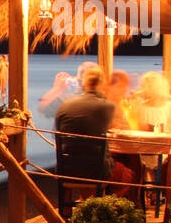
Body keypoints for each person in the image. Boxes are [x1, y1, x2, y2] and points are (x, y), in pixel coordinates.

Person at [55, 67, 135, 198]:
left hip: (66, 168)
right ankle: (103, 205)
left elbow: (57, 131)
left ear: (83, 84)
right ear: (103, 85)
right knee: (128, 175)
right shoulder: (108, 106)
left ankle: (80, 205)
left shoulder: (65, 106)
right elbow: (120, 128)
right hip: (96, 171)